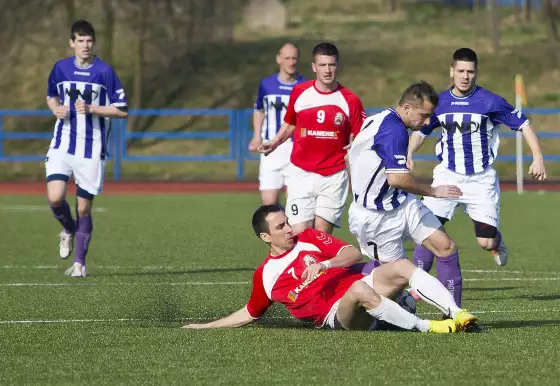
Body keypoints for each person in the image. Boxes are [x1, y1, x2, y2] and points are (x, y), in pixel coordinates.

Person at [183, 205, 478, 333]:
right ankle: (429, 327)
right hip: (338, 316)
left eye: (287, 222)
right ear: (265, 237)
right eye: (280, 226)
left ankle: (456, 312)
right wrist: (206, 326)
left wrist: (325, 263)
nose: (289, 229)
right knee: (358, 289)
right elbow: (250, 312)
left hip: (361, 285)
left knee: (400, 265)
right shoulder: (266, 276)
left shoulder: (308, 238)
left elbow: (351, 253)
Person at [407, 48, 547, 303]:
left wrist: (537, 157)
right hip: (448, 176)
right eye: (460, 71)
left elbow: (523, 124)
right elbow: (420, 132)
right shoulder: (439, 103)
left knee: (485, 241)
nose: (465, 76)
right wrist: (409, 153)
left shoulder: (490, 101)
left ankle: (496, 243)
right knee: (427, 230)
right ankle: (415, 288)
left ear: (476, 73)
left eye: (470, 71)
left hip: (481, 180)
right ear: (452, 71)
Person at [347, 81, 468, 309]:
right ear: (406, 108)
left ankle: (456, 315)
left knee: (446, 246)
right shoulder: (395, 131)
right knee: (394, 280)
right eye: (423, 116)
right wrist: (434, 191)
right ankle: (338, 278)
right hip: (376, 218)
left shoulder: (379, 117)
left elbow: (349, 156)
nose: (425, 122)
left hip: (401, 203)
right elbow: (397, 179)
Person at [45, 20, 128, 277]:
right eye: (80, 41)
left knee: (83, 208)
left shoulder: (104, 71)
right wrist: (55, 108)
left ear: (94, 43)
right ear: (72, 43)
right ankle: (68, 229)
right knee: (55, 197)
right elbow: (51, 95)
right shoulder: (60, 68)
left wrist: (93, 109)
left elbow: (122, 110)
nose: (85, 45)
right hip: (62, 143)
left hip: (91, 148)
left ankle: (79, 263)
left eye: (89, 41)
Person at [258, 43, 366, 235]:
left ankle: (321, 266)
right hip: (301, 173)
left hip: (333, 175)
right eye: (322, 65)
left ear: (337, 66)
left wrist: (355, 146)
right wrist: (275, 142)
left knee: (321, 235)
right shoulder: (300, 92)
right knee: (300, 233)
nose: (327, 70)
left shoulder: (351, 100)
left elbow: (357, 136)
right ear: (314, 67)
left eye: (331, 65)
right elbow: (290, 123)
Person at [248, 43, 306, 205]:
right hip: (270, 150)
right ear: (278, 59)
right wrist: (256, 136)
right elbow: (259, 109)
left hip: (296, 151)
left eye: (294, 58)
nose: (291, 62)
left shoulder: (305, 86)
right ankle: (281, 229)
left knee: (295, 203)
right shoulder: (266, 85)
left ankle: (295, 229)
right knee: (269, 204)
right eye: (287, 58)